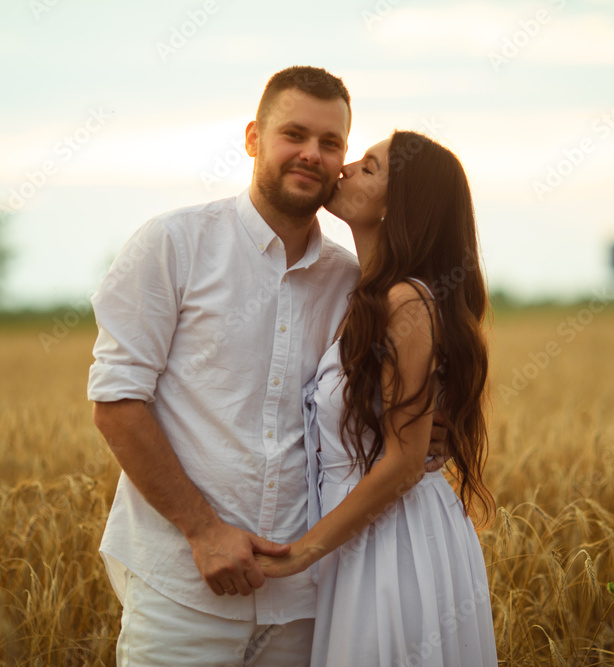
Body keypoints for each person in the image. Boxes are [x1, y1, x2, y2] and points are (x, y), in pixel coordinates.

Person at [87, 67, 446, 665]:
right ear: (254, 136)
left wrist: (435, 431)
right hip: (183, 591)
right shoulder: (172, 245)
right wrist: (203, 531)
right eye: (294, 134)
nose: (312, 153)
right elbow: (117, 405)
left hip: (307, 602)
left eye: (331, 143)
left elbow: (397, 404)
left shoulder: (355, 284)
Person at [255, 131, 500, 666]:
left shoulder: (404, 300)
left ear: (401, 204)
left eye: (369, 167)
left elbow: (407, 459)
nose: (343, 169)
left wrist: (303, 551)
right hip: (364, 535)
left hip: (394, 544)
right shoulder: (366, 293)